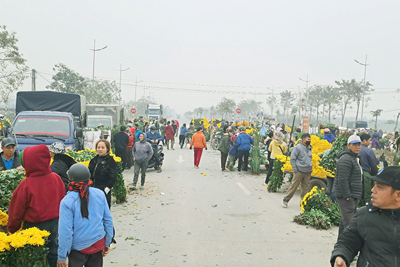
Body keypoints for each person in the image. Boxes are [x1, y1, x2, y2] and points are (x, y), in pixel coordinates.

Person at [7, 144, 65, 267]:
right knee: (53, 253)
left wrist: (12, 228)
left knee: (35, 258)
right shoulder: (56, 178)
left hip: (35, 228)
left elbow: (16, 211)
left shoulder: (26, 185)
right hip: (56, 224)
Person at [331, 166, 400, 267]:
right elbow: (347, 242)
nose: (373, 190)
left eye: (380, 187)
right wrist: (341, 256)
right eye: (374, 185)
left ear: (398, 195)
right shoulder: (365, 215)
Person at [57, 163, 114, 267]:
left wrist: (62, 255)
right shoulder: (100, 194)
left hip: (78, 249)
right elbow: (108, 220)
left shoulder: (67, 202)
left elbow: (65, 231)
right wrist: (107, 242)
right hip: (98, 243)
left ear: (70, 180)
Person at [334, 134, 363, 236]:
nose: (357, 147)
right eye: (354, 144)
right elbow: (342, 180)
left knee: (344, 222)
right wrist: (347, 197)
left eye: (359, 144)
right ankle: (348, 247)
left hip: (352, 194)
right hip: (346, 196)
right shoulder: (346, 159)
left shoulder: (353, 158)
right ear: (348, 146)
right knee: (350, 224)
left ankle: (340, 245)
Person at [283, 133, 312, 208]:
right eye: (308, 139)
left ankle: (303, 202)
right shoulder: (298, 147)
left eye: (310, 139)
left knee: (306, 188)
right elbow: (292, 159)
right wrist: (295, 170)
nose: (309, 141)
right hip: (299, 171)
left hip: (308, 171)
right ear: (303, 140)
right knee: (294, 186)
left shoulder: (310, 147)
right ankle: (286, 200)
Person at [88, 139, 118, 209]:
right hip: (93, 189)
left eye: (102, 147)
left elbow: (113, 175)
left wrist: (108, 188)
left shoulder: (110, 161)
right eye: (98, 147)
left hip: (104, 189)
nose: (100, 149)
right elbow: (89, 173)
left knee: (104, 210)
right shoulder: (93, 160)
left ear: (107, 149)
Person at [358, 133, 378, 206]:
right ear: (364, 141)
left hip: (356, 173)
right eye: (369, 141)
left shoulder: (356, 149)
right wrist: (374, 175)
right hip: (366, 174)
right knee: (367, 193)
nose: (369, 143)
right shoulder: (368, 151)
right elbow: (373, 165)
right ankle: (366, 205)